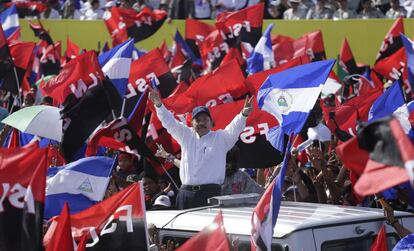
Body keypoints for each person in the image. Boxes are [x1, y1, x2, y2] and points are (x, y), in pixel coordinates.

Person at [148, 86, 253, 209]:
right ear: (192, 123)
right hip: (185, 194)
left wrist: (244, 114)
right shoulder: (186, 135)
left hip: (210, 194)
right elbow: (169, 122)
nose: (201, 122)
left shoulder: (220, 138)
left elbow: (234, 128)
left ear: (211, 122)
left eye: (205, 119)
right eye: (197, 120)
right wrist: (159, 105)